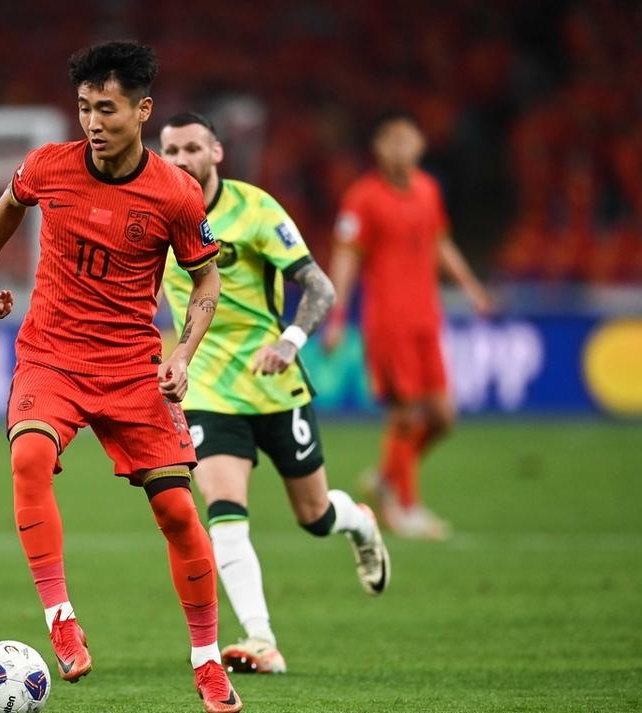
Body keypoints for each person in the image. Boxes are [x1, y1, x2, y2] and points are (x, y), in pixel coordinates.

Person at [0, 41, 240, 713]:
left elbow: (206, 279)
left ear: (143, 111)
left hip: (131, 368)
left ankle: (208, 661)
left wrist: (183, 354)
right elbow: (10, 203)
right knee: (28, 457)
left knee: (178, 511)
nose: (93, 122)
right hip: (51, 356)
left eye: (108, 109)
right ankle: (61, 618)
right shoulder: (49, 165)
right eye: (85, 107)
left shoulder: (175, 193)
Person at [158, 113, 390, 675]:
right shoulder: (154, 214)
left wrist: (290, 342)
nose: (182, 159)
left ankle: (359, 522)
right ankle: (261, 640)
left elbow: (320, 286)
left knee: (315, 515)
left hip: (274, 384)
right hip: (208, 388)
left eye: (192, 148)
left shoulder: (255, 209)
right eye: (171, 151)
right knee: (223, 511)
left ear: (216, 152)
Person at [323, 110, 492, 540]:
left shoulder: (428, 189)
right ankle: (405, 506)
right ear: (379, 149)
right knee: (404, 414)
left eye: (407, 141)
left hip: (425, 319)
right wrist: (337, 316)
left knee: (443, 417)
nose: (400, 149)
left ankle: (386, 477)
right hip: (388, 322)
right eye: (392, 141)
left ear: (420, 146)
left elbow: (439, 243)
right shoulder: (362, 198)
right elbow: (346, 258)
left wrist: (472, 288)